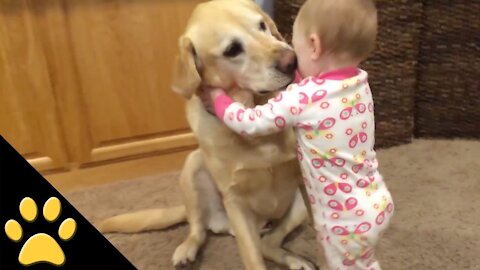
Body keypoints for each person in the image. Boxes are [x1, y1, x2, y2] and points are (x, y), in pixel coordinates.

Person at [203, 0, 394, 269]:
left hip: (343, 219)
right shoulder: (358, 83)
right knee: (363, 261)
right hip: (374, 200)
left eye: (296, 46)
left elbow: (251, 122)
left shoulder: (301, 98)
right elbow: (320, 92)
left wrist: (219, 100)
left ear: (314, 46)